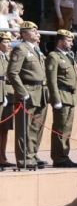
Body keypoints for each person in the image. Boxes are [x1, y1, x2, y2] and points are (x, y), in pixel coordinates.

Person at [7, 21, 49, 170]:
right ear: (24, 34)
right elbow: (12, 73)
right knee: (25, 128)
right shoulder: (21, 49)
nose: (37, 33)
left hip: (40, 92)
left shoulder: (36, 49)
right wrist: (22, 92)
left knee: (36, 127)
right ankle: (24, 158)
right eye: (33, 30)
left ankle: (32, 154)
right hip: (28, 91)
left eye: (37, 30)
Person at [46, 29, 77, 167]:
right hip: (61, 95)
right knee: (60, 129)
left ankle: (64, 155)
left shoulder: (69, 56)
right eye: (69, 40)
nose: (71, 43)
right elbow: (51, 80)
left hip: (70, 97)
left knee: (67, 129)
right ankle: (59, 158)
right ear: (60, 41)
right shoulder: (54, 56)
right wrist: (56, 99)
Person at [0, 31, 13, 170]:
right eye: (5, 42)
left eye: (9, 42)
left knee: (4, 128)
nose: (8, 44)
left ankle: (2, 157)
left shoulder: (8, 58)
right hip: (0, 94)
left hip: (8, 95)